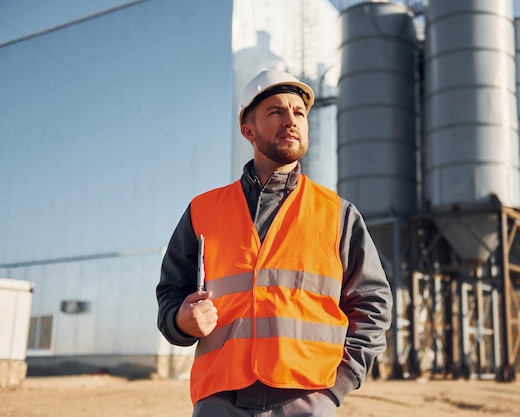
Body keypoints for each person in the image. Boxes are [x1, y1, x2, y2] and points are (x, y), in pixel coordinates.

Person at [156, 69, 393, 416]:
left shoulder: (338, 214)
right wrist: (180, 320)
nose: (291, 120)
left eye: (299, 112)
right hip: (220, 400)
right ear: (248, 130)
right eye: (276, 112)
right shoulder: (202, 211)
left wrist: (337, 385)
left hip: (306, 400)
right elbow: (170, 294)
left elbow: (372, 304)